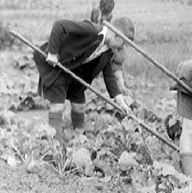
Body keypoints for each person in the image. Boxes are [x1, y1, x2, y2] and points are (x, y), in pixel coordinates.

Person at [33, 16, 135, 144]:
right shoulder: (92, 30)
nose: (122, 48)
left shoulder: (108, 51)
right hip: (59, 65)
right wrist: (53, 53)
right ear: (115, 34)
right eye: (123, 44)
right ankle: (55, 144)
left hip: (76, 74)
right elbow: (59, 25)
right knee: (57, 105)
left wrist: (122, 103)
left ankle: (78, 139)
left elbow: (109, 76)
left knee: (80, 106)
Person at [91, 0, 131, 96]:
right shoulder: (96, 13)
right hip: (99, 45)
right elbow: (92, 27)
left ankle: (121, 87)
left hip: (112, 47)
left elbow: (115, 39)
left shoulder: (115, 20)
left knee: (116, 66)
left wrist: (113, 45)